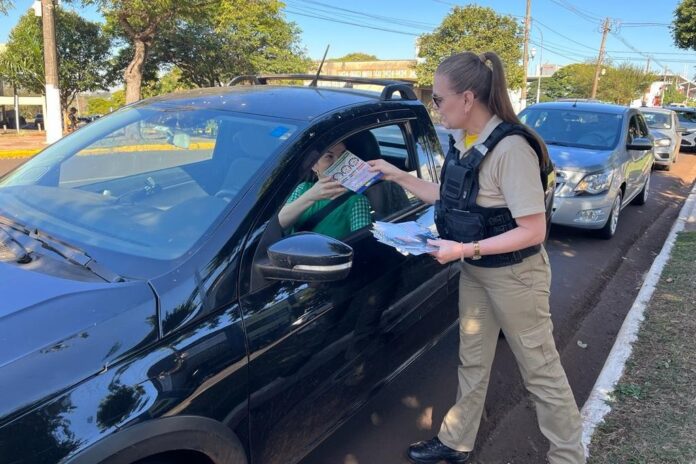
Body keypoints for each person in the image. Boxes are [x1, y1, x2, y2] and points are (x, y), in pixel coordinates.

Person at [368, 51, 585, 464]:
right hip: (476, 272)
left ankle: (569, 456)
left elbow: (533, 230)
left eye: (437, 98)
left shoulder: (512, 149)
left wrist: (465, 249)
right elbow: (448, 198)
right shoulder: (463, 140)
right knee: (472, 360)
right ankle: (456, 442)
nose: (435, 107)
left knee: (540, 372)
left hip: (516, 277)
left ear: (467, 98)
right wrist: (396, 175)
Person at [278, 141, 372, 239]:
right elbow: (279, 224)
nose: (338, 162)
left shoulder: (356, 200)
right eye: (329, 156)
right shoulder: (303, 188)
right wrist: (310, 197)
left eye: (343, 156)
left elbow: (363, 241)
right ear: (314, 166)